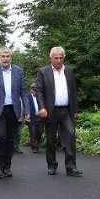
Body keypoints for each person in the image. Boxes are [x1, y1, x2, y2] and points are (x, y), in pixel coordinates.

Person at [35, 46, 82, 177]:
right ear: (51, 58)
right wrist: (42, 107)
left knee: (71, 135)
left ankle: (71, 167)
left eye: (61, 58)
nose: (58, 60)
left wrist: (75, 109)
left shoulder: (69, 71)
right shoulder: (43, 71)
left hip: (67, 110)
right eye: (56, 58)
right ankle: (51, 165)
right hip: (51, 110)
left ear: (64, 58)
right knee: (51, 139)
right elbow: (39, 91)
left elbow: (73, 91)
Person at [0, 47, 29, 179]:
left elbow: (24, 92)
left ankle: (7, 167)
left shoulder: (18, 71)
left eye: (7, 56)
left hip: (13, 110)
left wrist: (27, 110)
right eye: (3, 56)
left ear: (11, 57)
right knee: (0, 137)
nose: (5, 58)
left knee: (10, 139)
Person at [26, 82, 43, 153]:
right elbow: (26, 107)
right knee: (33, 132)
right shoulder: (27, 97)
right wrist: (26, 115)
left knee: (40, 131)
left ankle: (37, 144)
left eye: (36, 89)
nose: (34, 91)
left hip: (40, 117)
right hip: (31, 117)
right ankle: (34, 147)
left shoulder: (41, 97)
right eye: (33, 89)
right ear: (30, 89)